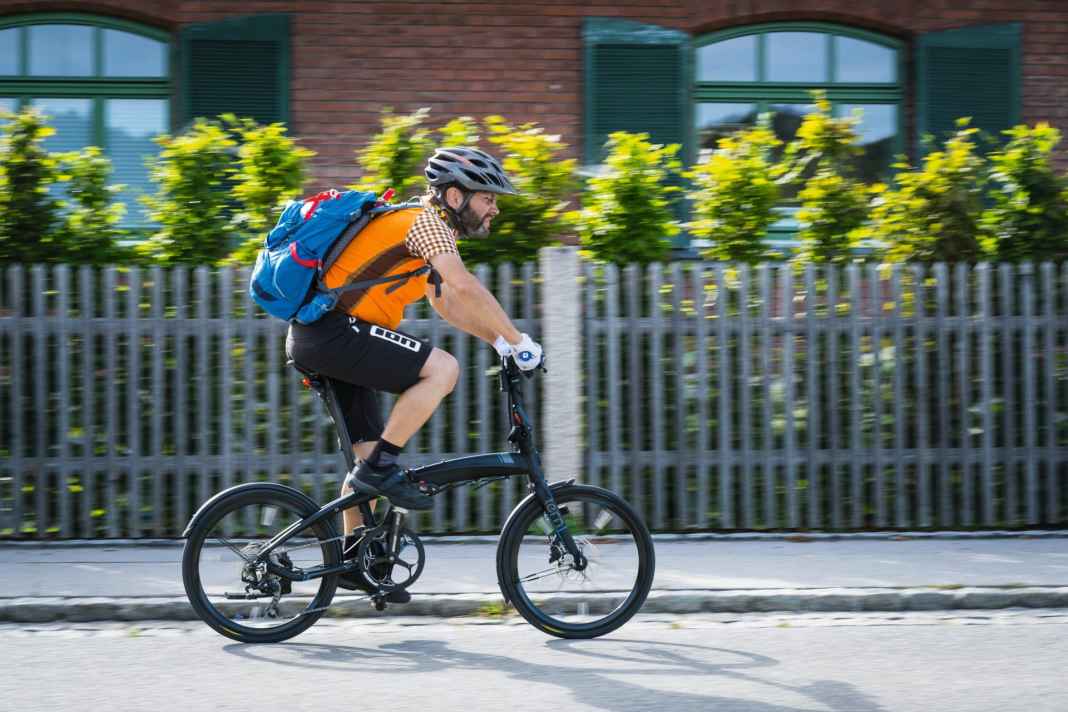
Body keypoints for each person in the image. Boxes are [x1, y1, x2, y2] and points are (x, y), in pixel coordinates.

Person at [285, 147, 543, 602]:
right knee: (442, 369)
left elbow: (444, 299)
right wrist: (519, 339)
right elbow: (463, 284)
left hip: (327, 338)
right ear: (456, 196)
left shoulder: (422, 229)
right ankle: (382, 469)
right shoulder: (425, 224)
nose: (495, 208)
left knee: (366, 467)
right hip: (334, 335)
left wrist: (499, 341)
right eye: (489, 198)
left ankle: (353, 562)